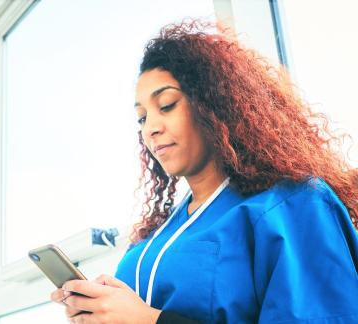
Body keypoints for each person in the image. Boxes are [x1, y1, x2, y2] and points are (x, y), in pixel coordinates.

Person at [50, 20, 358, 323]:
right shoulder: (152, 239)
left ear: (215, 104)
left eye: (167, 105)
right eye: (142, 118)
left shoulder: (294, 206)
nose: (151, 129)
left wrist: (149, 321)